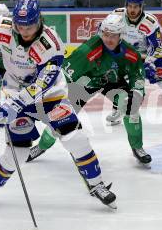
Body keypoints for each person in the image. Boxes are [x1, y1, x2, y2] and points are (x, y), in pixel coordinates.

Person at [0, 0, 116, 209]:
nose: (24, 31)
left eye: (29, 26)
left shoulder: (51, 44)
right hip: (15, 92)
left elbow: (42, 84)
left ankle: (97, 185)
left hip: (51, 96)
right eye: (20, 26)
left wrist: (13, 106)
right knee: (18, 153)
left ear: (39, 20)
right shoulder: (1, 25)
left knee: (75, 138)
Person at [27, 13, 150, 166]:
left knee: (131, 106)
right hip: (85, 83)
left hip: (112, 82)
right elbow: (65, 74)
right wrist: (57, 94)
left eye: (113, 35)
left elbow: (136, 74)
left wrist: (137, 93)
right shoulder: (88, 50)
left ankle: (137, 147)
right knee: (61, 114)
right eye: (106, 34)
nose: (109, 39)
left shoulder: (130, 53)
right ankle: (42, 145)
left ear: (121, 36)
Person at [107, 0, 162, 125]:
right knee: (119, 81)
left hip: (149, 55)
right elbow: (107, 37)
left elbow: (156, 47)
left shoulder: (149, 22)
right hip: (126, 56)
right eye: (130, 6)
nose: (132, 10)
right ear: (126, 6)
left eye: (136, 7)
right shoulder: (116, 16)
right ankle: (117, 110)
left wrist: (147, 64)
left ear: (141, 7)